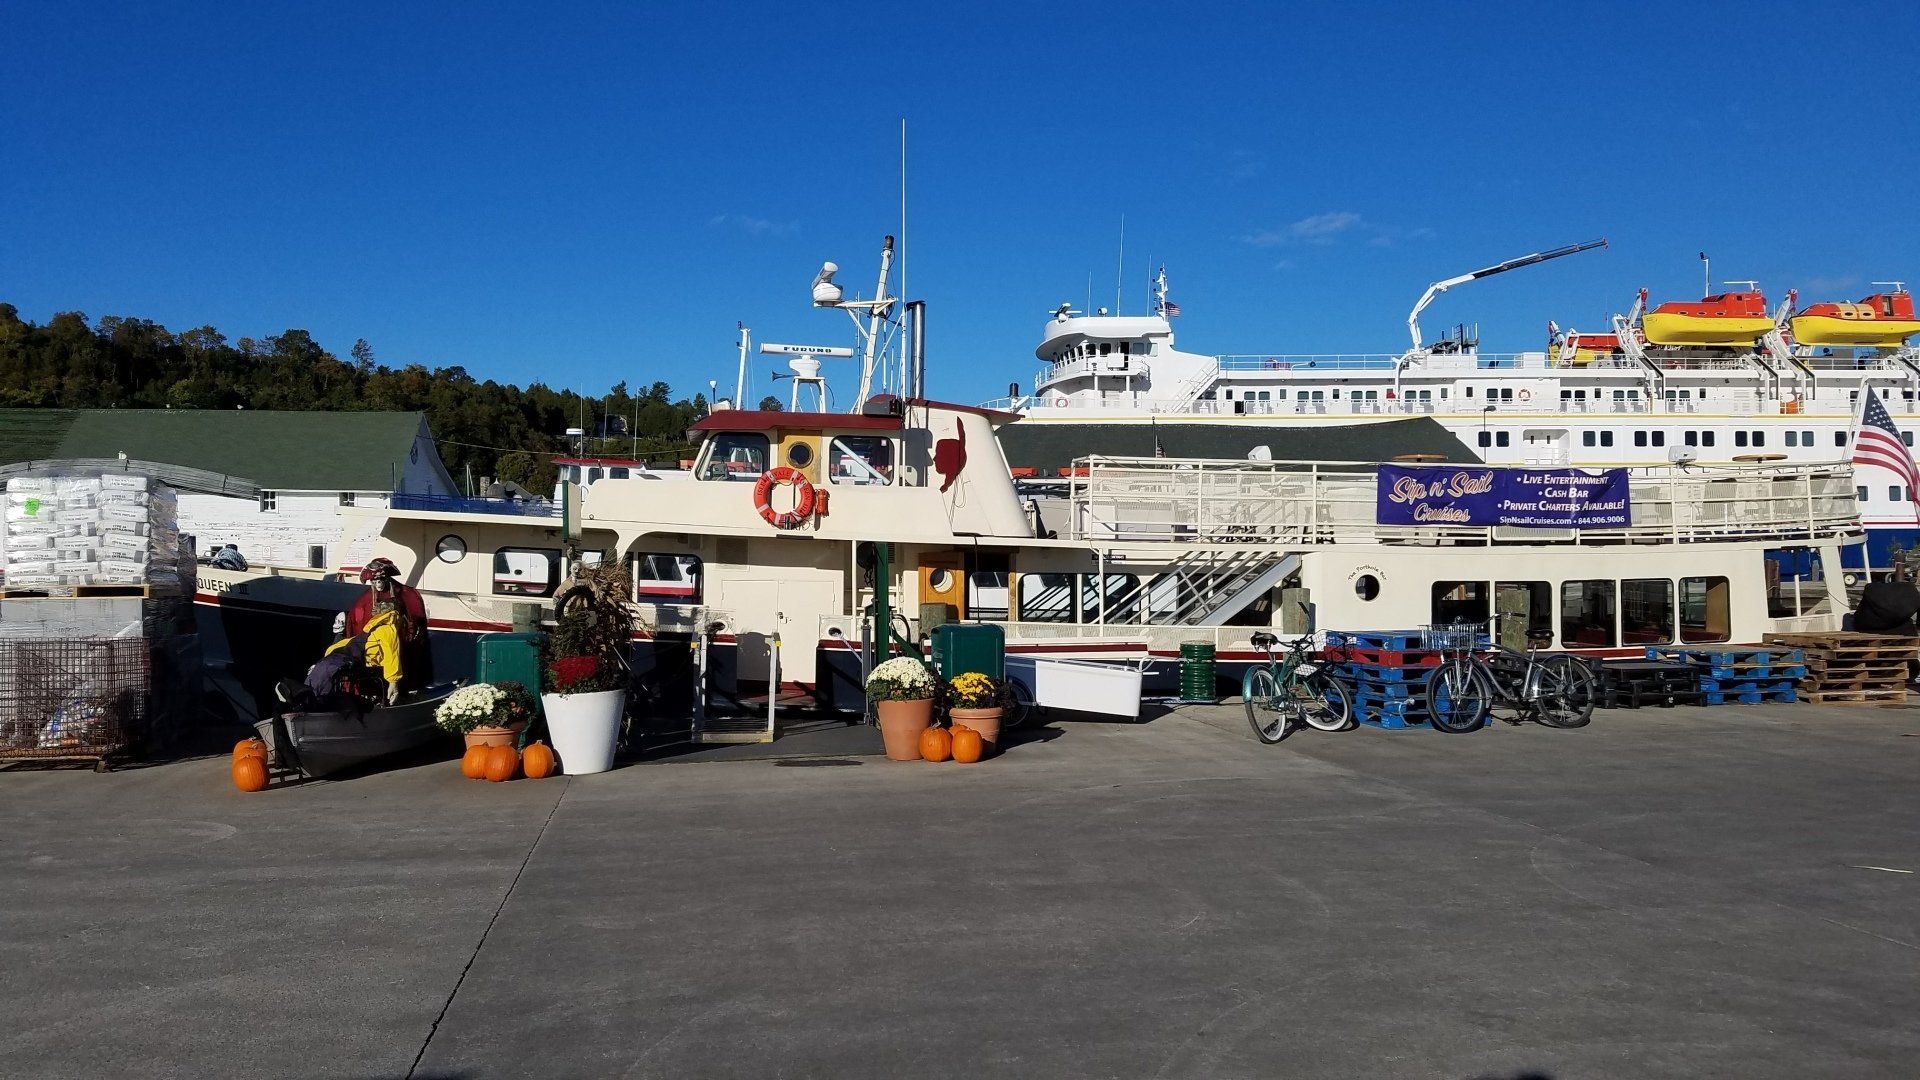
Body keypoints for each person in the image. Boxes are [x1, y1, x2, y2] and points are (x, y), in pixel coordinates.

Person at [276, 609, 407, 709]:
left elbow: (339, 645)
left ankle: (297, 700)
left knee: (317, 681)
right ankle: (306, 703)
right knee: (324, 682)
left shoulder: (368, 633)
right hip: (343, 660)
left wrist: (320, 661)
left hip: (332, 658)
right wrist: (393, 681)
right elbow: (392, 655)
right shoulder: (388, 629)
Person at [346, 557, 432, 688]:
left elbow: (416, 623)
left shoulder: (408, 595)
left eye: (381, 580)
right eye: (374, 581)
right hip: (373, 651)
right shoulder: (362, 603)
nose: (379, 584)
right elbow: (355, 630)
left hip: (402, 647)